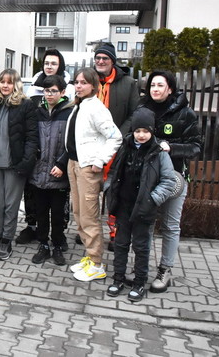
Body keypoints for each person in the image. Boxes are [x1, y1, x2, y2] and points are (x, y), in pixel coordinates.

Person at [138, 71, 201, 293]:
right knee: (144, 221)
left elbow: (195, 147)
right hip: (145, 177)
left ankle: (165, 269)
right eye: (152, 85)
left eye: (160, 85)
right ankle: (141, 269)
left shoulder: (185, 113)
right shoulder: (141, 109)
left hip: (173, 177)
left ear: (170, 89)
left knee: (170, 225)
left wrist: (170, 147)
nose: (155, 89)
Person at [105, 108, 177, 302]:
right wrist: (111, 193)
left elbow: (169, 181)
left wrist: (152, 199)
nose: (141, 135)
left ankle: (139, 282)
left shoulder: (158, 152)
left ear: (152, 131)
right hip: (123, 205)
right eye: (138, 131)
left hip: (144, 208)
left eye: (145, 131)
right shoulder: (125, 147)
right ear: (133, 131)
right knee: (120, 244)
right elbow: (115, 172)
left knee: (141, 246)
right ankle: (118, 278)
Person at [65, 67, 122, 281]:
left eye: (83, 82)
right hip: (74, 165)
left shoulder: (96, 108)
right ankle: (90, 256)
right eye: (76, 82)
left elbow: (115, 137)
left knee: (89, 217)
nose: (78, 86)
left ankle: (97, 264)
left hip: (88, 168)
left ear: (93, 85)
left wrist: (99, 161)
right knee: (79, 214)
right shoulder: (79, 106)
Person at [0, 69, 38, 261]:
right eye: (2, 82)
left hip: (14, 165)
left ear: (16, 84)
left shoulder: (26, 105)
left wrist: (25, 163)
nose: (5, 85)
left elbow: (32, 138)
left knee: (11, 205)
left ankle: (7, 240)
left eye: (9, 82)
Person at [18, 48, 74, 246]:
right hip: (37, 156)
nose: (49, 66)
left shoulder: (68, 93)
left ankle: (59, 235)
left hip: (57, 157)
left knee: (59, 203)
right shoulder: (33, 88)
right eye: (47, 63)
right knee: (33, 194)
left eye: (54, 63)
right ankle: (33, 227)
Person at [93, 42, 140, 250]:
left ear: (112, 61)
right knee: (91, 192)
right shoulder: (90, 81)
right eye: (98, 58)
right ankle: (91, 232)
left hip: (117, 147)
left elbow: (134, 113)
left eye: (105, 58)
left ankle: (115, 234)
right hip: (93, 146)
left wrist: (118, 136)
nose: (100, 61)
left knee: (114, 192)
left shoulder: (128, 83)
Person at [27, 74, 73, 266]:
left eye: (54, 91)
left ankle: (57, 244)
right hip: (39, 172)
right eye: (46, 91)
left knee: (57, 212)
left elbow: (72, 143)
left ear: (62, 92)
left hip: (59, 173)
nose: (49, 95)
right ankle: (43, 244)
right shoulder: (37, 112)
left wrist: (62, 164)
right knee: (41, 211)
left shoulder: (69, 112)